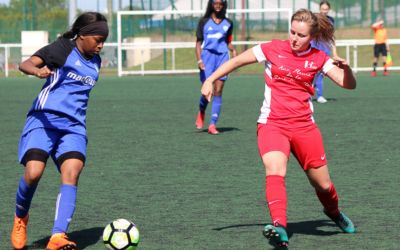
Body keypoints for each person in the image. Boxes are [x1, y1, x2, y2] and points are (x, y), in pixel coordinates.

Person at [201, 9, 356, 248]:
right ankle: (279, 228)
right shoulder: (272, 48)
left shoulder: (319, 58)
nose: (294, 38)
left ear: (312, 36)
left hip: (304, 127)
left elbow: (349, 85)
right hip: (272, 124)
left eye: (301, 35)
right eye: (292, 32)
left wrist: (346, 69)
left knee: (323, 185)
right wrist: (210, 80)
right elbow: (235, 61)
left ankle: (334, 213)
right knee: (275, 170)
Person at [11, 12, 108, 250]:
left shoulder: (96, 61)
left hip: (73, 126)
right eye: (98, 39)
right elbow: (26, 63)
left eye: (104, 39)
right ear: (82, 35)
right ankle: (21, 217)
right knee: (34, 172)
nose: (101, 45)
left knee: (72, 171)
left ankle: (58, 236)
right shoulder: (62, 49)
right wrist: (38, 71)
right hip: (44, 120)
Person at [195, 0, 237, 135]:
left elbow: (228, 42)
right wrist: (199, 60)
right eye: (215, 3)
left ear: (224, 5)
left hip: (222, 58)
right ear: (211, 4)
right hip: (207, 58)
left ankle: (212, 124)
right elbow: (198, 43)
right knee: (207, 91)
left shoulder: (228, 23)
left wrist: (233, 50)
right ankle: (201, 111)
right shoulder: (203, 22)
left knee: (218, 90)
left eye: (221, 3)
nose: (218, 6)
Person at [311, 0, 337, 104]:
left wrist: (334, 53)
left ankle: (320, 96)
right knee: (311, 73)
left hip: (325, 50)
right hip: (313, 49)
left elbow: (332, 37)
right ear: (319, 9)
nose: (324, 11)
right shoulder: (314, 19)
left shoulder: (331, 20)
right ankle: (306, 94)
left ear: (329, 10)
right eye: (323, 9)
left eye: (326, 9)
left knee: (321, 73)